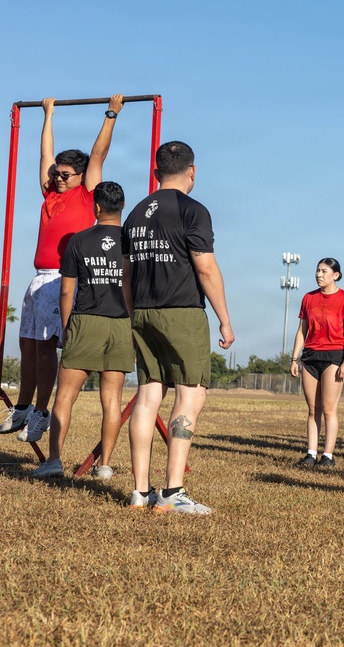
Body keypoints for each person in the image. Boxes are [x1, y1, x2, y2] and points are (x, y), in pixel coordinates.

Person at [122, 141, 235, 514]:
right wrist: (224, 318)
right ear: (192, 171)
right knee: (191, 394)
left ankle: (140, 492)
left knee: (148, 395)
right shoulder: (193, 210)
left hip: (142, 311)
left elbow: (126, 274)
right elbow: (205, 268)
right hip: (182, 310)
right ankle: (172, 492)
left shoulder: (136, 213)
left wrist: (132, 312)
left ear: (156, 173)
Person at [3, 95, 125, 437]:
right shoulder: (51, 194)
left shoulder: (86, 193)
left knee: (46, 348)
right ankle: (23, 408)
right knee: (27, 343)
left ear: (80, 176)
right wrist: (48, 115)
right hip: (38, 279)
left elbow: (98, 153)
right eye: (56, 173)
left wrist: (111, 114)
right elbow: (45, 154)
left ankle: (42, 412)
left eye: (65, 174)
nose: (58, 177)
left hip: (62, 277)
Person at [29, 182, 133, 478]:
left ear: (96, 207)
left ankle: (54, 460)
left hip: (86, 321)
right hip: (121, 323)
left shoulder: (79, 240)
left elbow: (66, 292)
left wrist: (65, 328)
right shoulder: (130, 242)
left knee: (65, 396)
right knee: (111, 400)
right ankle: (105, 465)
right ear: (122, 206)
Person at [289, 258, 344, 468]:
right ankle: (311, 454)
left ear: (335, 275)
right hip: (310, 357)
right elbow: (302, 330)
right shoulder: (308, 298)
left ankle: (328, 455)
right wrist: (294, 358)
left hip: (334, 357)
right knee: (312, 409)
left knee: (329, 409)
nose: (319, 274)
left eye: (324, 271)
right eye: (317, 271)